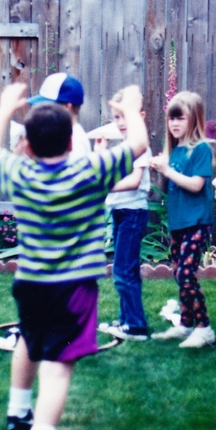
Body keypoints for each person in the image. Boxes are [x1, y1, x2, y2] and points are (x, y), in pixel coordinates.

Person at [0, 83, 147, 430]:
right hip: (74, 290)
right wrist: (131, 108)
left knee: (29, 338)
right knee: (57, 368)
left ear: (26, 145)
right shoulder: (90, 172)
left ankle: (17, 412)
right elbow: (139, 146)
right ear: (72, 143)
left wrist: (6, 106)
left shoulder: (20, 174)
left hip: (31, 284)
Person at [149, 91, 216, 348]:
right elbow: (165, 189)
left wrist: (167, 170)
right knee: (179, 273)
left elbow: (196, 185)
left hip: (197, 222)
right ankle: (186, 324)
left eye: (181, 119)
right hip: (178, 223)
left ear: (195, 119)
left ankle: (204, 327)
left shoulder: (200, 150)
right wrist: (160, 171)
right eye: (171, 119)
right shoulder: (175, 151)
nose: (174, 124)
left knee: (187, 273)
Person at [96, 90, 153, 341]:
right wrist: (101, 151)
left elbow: (134, 181)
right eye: (115, 117)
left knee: (123, 270)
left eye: (123, 117)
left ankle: (136, 326)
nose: (119, 123)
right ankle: (126, 321)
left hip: (133, 213)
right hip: (121, 213)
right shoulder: (122, 148)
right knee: (125, 269)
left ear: (139, 117)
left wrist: (105, 187)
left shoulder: (141, 148)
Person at [27, 72, 91, 161]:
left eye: (48, 106)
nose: (43, 110)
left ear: (67, 107)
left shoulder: (76, 141)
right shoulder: (61, 134)